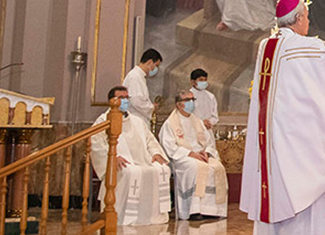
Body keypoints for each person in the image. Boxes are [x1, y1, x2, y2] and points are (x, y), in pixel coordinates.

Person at [241, 0, 325, 234]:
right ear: (299, 18)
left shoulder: (266, 46)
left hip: (271, 144)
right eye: (306, 16)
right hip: (295, 147)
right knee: (304, 195)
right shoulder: (302, 46)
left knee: (273, 202)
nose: (309, 21)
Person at [90, 86, 171, 226]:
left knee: (162, 169)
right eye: (121, 98)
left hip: (143, 160)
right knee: (129, 172)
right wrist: (112, 157)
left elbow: (149, 140)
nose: (125, 101)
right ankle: (122, 216)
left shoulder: (137, 121)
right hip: (121, 163)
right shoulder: (103, 120)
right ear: (111, 101)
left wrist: (156, 153)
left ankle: (151, 216)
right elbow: (95, 143)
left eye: (127, 98)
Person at [160, 90, 228, 221]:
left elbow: (208, 142)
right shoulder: (170, 123)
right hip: (183, 158)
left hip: (201, 155)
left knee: (217, 167)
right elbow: (169, 147)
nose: (191, 103)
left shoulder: (197, 121)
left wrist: (206, 152)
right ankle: (194, 210)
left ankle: (212, 210)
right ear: (179, 105)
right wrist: (190, 154)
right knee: (195, 167)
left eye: (192, 100)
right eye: (187, 100)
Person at [122, 49, 162, 124]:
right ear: (150, 62)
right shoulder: (135, 77)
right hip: (135, 120)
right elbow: (137, 101)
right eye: (156, 66)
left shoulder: (139, 76)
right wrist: (152, 108)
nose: (156, 69)